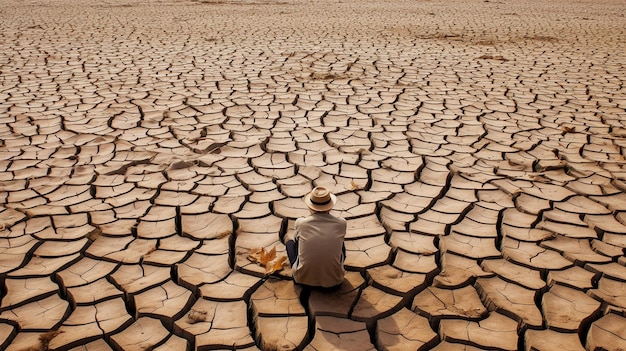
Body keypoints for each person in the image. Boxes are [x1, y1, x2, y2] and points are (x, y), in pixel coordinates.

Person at [285, 186, 347, 290]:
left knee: (290, 243)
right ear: (330, 207)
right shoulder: (341, 223)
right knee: (340, 242)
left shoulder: (301, 223)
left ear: (310, 207)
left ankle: (303, 269)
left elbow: (297, 245)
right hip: (335, 282)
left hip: (302, 280)